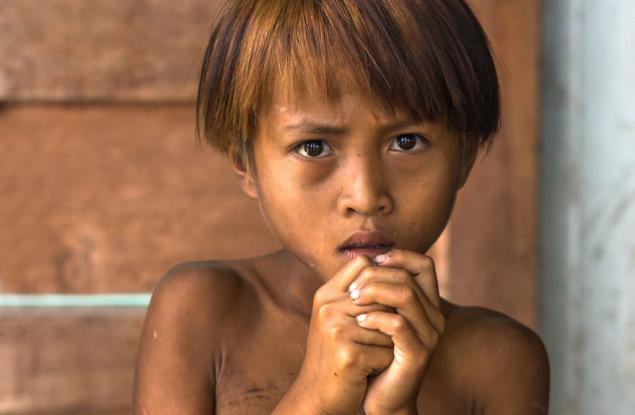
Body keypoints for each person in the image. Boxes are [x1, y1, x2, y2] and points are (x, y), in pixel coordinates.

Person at [133, 0, 550, 414]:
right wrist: (316, 396)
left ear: (465, 157)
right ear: (245, 162)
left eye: (407, 142)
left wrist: (394, 410)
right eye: (314, 147)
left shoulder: (499, 361)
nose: (365, 197)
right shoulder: (201, 312)